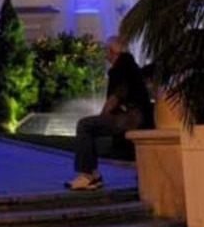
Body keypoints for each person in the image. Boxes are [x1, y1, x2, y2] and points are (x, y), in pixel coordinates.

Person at [66, 35, 154, 191]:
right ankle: (93, 175)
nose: (105, 55)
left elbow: (116, 96)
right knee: (90, 126)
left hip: (132, 117)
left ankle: (88, 175)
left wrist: (102, 116)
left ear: (112, 51)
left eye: (106, 51)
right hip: (139, 115)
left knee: (85, 125)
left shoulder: (121, 66)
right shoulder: (129, 64)